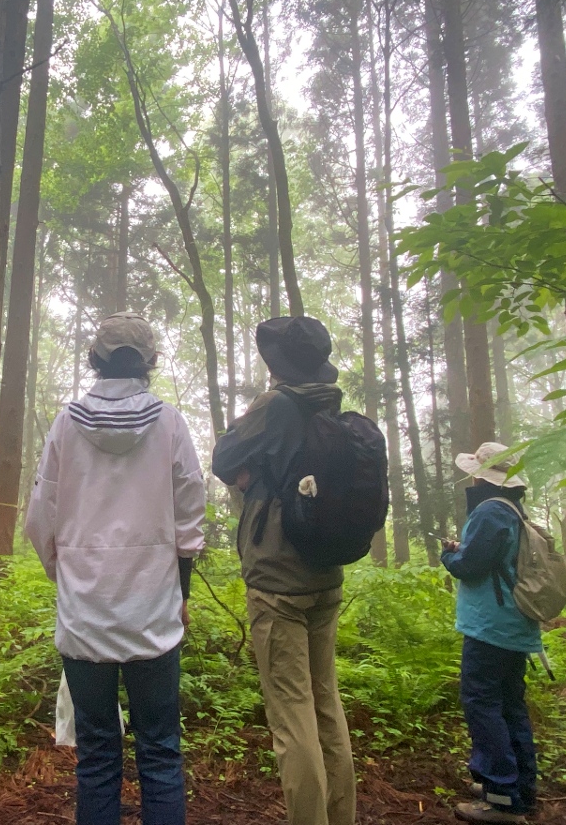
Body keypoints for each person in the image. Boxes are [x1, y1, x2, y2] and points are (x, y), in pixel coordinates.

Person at [25, 311, 206, 825]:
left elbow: (42, 515)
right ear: (149, 361)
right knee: (161, 748)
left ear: (96, 359)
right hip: (154, 605)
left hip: (85, 610)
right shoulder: (169, 422)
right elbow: (190, 510)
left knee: (98, 752)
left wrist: (66, 574)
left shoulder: (66, 421)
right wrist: (182, 589)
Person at [211, 315, 356, 825]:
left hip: (278, 578)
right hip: (325, 573)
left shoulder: (275, 404)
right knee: (325, 705)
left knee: (292, 717)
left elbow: (223, 456)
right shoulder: (328, 401)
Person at [441, 442, 542, 825]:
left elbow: (470, 564)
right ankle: (521, 788)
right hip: (515, 624)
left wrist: (449, 554)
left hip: (490, 626)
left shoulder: (490, 510)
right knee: (510, 704)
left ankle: (499, 792)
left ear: (483, 475)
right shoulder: (515, 510)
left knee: (482, 703)